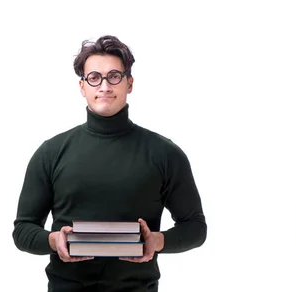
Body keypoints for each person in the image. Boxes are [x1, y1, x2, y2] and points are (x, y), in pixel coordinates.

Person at [12, 35, 207, 292]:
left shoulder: (165, 153)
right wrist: (53, 239)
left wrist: (156, 241)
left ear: (130, 83)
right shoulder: (51, 152)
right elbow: (23, 230)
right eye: (94, 78)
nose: (104, 86)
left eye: (114, 76)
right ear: (83, 86)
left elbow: (195, 227)